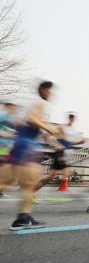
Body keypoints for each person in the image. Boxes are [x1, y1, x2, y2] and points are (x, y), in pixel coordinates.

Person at [6, 81, 60, 230]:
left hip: (24, 144)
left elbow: (31, 125)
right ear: (43, 90)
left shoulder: (35, 106)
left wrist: (51, 138)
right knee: (27, 184)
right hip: (26, 145)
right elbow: (31, 119)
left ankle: (24, 217)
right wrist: (49, 128)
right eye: (49, 91)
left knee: (27, 184)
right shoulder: (39, 103)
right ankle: (22, 218)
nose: (51, 94)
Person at [33, 113, 85, 195]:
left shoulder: (73, 130)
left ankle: (31, 191)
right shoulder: (62, 127)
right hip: (60, 153)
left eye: (73, 117)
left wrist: (79, 142)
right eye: (70, 116)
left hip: (65, 153)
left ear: (74, 119)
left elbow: (69, 143)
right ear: (68, 117)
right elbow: (46, 135)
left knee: (51, 176)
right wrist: (54, 144)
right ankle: (31, 190)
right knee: (65, 173)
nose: (71, 118)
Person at [0, 100, 17, 198]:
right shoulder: (2, 115)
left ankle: (1, 191)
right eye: (13, 106)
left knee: (6, 169)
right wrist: (5, 134)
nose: (14, 108)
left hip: (7, 148)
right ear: (7, 106)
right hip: (1, 147)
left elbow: (12, 134)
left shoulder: (12, 119)